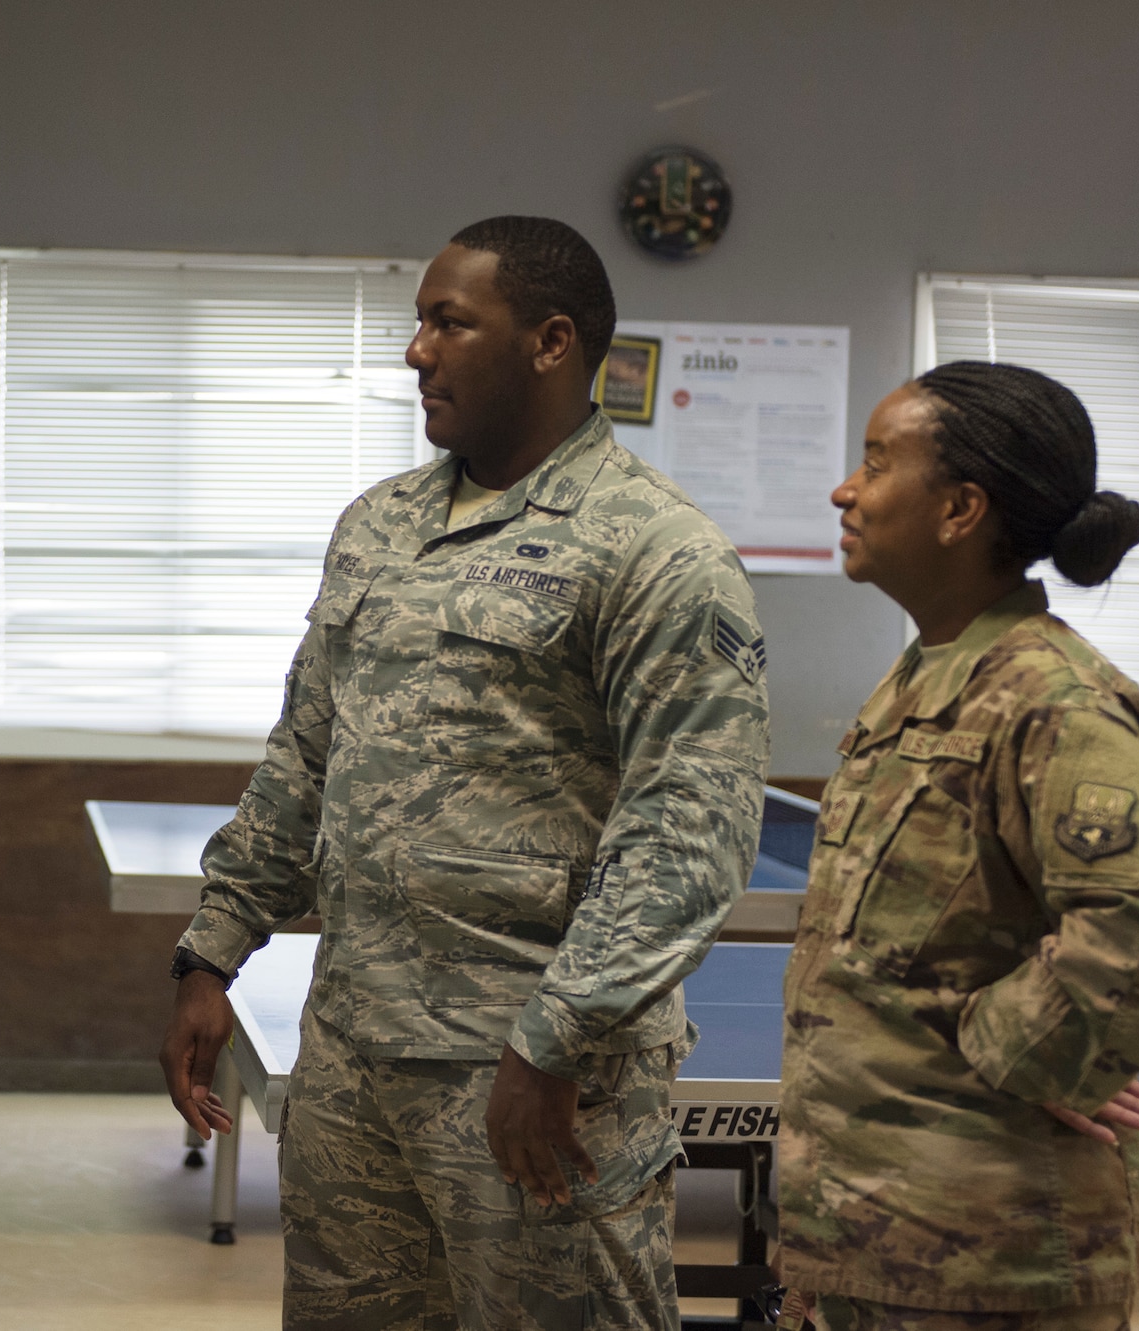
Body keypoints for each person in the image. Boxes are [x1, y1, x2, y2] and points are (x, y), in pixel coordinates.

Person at [160, 216, 771, 1329]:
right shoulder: (378, 525)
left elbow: (689, 828)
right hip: (352, 1058)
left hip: (530, 1074)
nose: (415, 351)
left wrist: (555, 1037)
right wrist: (214, 946)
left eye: (449, 322)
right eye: (415, 322)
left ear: (548, 341)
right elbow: (305, 750)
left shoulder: (655, 549)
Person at [774, 362, 1139, 1331]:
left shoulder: (1050, 701)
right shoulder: (929, 678)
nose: (843, 488)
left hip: (986, 1265)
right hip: (869, 1237)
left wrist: (1030, 1054)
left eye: (873, 461)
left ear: (958, 508)